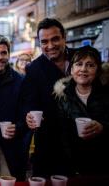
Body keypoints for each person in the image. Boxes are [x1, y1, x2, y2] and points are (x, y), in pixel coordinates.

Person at [21, 18, 77, 177]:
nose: (50, 46)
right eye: (44, 41)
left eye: (55, 39)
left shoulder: (80, 58)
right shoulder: (33, 69)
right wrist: (29, 116)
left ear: (64, 37)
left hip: (84, 142)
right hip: (50, 144)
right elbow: (28, 102)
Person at [53, 46, 109, 176]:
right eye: (79, 64)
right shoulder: (62, 96)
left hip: (103, 166)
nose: (83, 69)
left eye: (90, 65)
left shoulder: (106, 94)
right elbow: (61, 135)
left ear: (98, 70)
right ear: (72, 70)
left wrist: (103, 127)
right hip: (73, 168)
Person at [0, 34, 28, 181]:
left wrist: (18, 127)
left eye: (3, 52)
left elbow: (26, 115)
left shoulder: (20, 82)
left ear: (8, 55)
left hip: (13, 149)